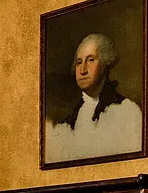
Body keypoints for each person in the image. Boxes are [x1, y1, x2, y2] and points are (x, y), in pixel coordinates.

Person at [45, 33, 142, 163]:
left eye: (91, 60)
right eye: (79, 62)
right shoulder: (66, 122)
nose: (83, 70)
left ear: (105, 64)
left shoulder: (127, 111)